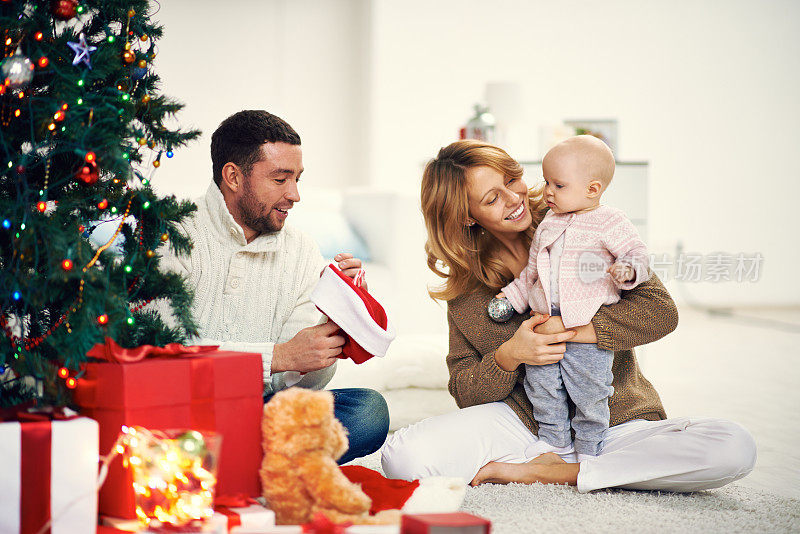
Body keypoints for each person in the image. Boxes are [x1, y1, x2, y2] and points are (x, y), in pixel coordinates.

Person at [380, 139, 756, 492]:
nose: (515, 199)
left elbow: (660, 312)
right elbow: (464, 390)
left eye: (513, 179)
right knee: (402, 458)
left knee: (734, 447)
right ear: (466, 217)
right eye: (493, 197)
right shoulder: (467, 290)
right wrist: (510, 355)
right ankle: (586, 466)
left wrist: (570, 331)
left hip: (613, 418)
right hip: (526, 426)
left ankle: (562, 472)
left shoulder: (580, 215)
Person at [161, 110, 388, 464]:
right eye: (280, 179)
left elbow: (299, 389)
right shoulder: (173, 234)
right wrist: (279, 356)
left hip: (258, 415)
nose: (294, 195)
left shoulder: (302, 250)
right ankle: (258, 463)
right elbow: (164, 357)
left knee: (368, 411)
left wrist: (334, 324)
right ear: (233, 176)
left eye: (297, 179)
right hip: (175, 410)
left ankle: (227, 460)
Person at [495, 135, 651, 462]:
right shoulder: (548, 224)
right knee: (542, 385)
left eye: (559, 185)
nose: (548, 191)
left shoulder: (610, 221)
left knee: (590, 390)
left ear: (592, 189)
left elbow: (637, 253)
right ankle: (555, 439)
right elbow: (531, 273)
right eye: (546, 182)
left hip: (585, 327)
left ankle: (591, 445)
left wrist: (628, 269)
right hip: (541, 322)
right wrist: (511, 298)